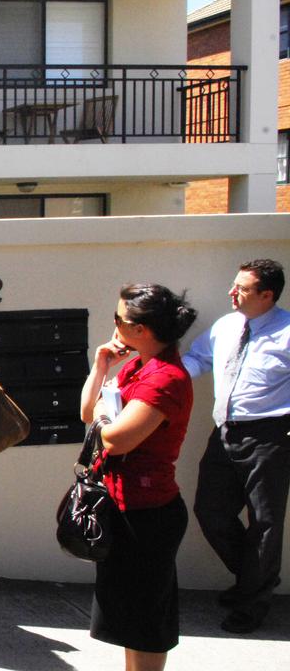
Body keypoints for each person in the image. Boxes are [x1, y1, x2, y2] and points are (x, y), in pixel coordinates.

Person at [80, 284, 196, 670]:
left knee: (146, 624)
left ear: (142, 329)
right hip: (124, 506)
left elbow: (114, 438)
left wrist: (102, 416)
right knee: (130, 621)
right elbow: (87, 412)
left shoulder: (166, 378)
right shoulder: (136, 365)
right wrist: (101, 366)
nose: (113, 326)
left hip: (148, 514)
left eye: (118, 320)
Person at [183, 259, 290, 634]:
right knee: (209, 512)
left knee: (264, 523)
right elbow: (198, 359)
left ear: (267, 295)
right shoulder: (226, 326)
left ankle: (252, 604)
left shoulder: (287, 331)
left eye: (242, 288)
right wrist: (162, 377)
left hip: (270, 436)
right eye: (234, 284)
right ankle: (252, 582)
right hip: (225, 433)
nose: (232, 292)